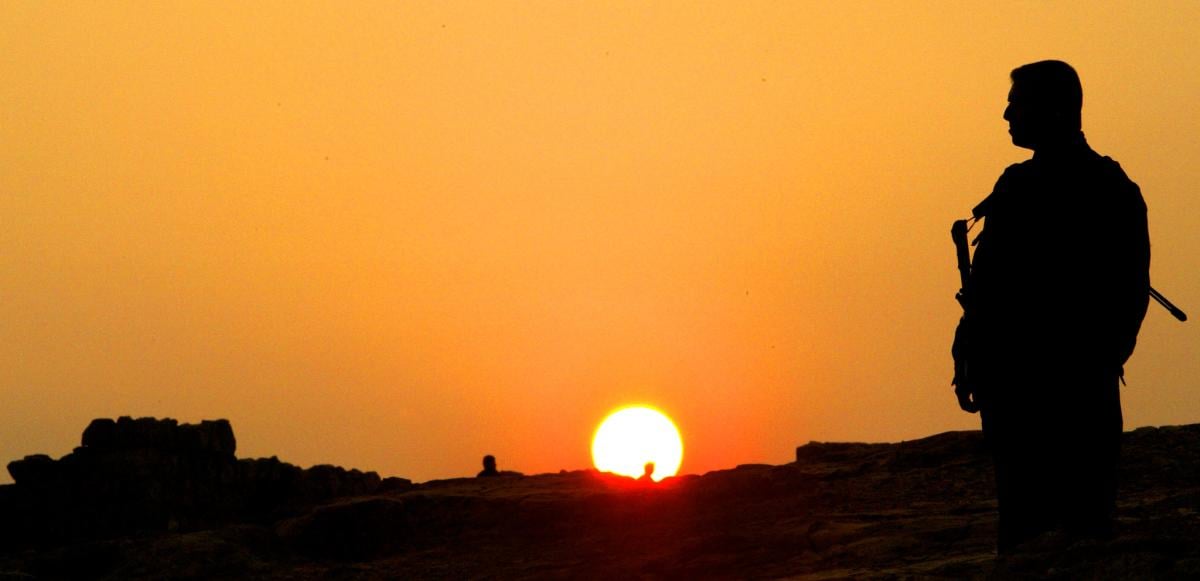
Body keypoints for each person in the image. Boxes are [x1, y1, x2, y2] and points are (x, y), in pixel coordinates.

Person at [953, 60, 1150, 553]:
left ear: (1055, 108)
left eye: (1018, 103)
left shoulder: (1107, 187)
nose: (1006, 114)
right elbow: (986, 289)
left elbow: (1128, 292)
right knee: (1023, 535)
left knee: (1083, 536)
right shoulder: (1015, 185)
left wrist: (1091, 365)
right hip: (1016, 394)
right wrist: (970, 358)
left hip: (1073, 395)